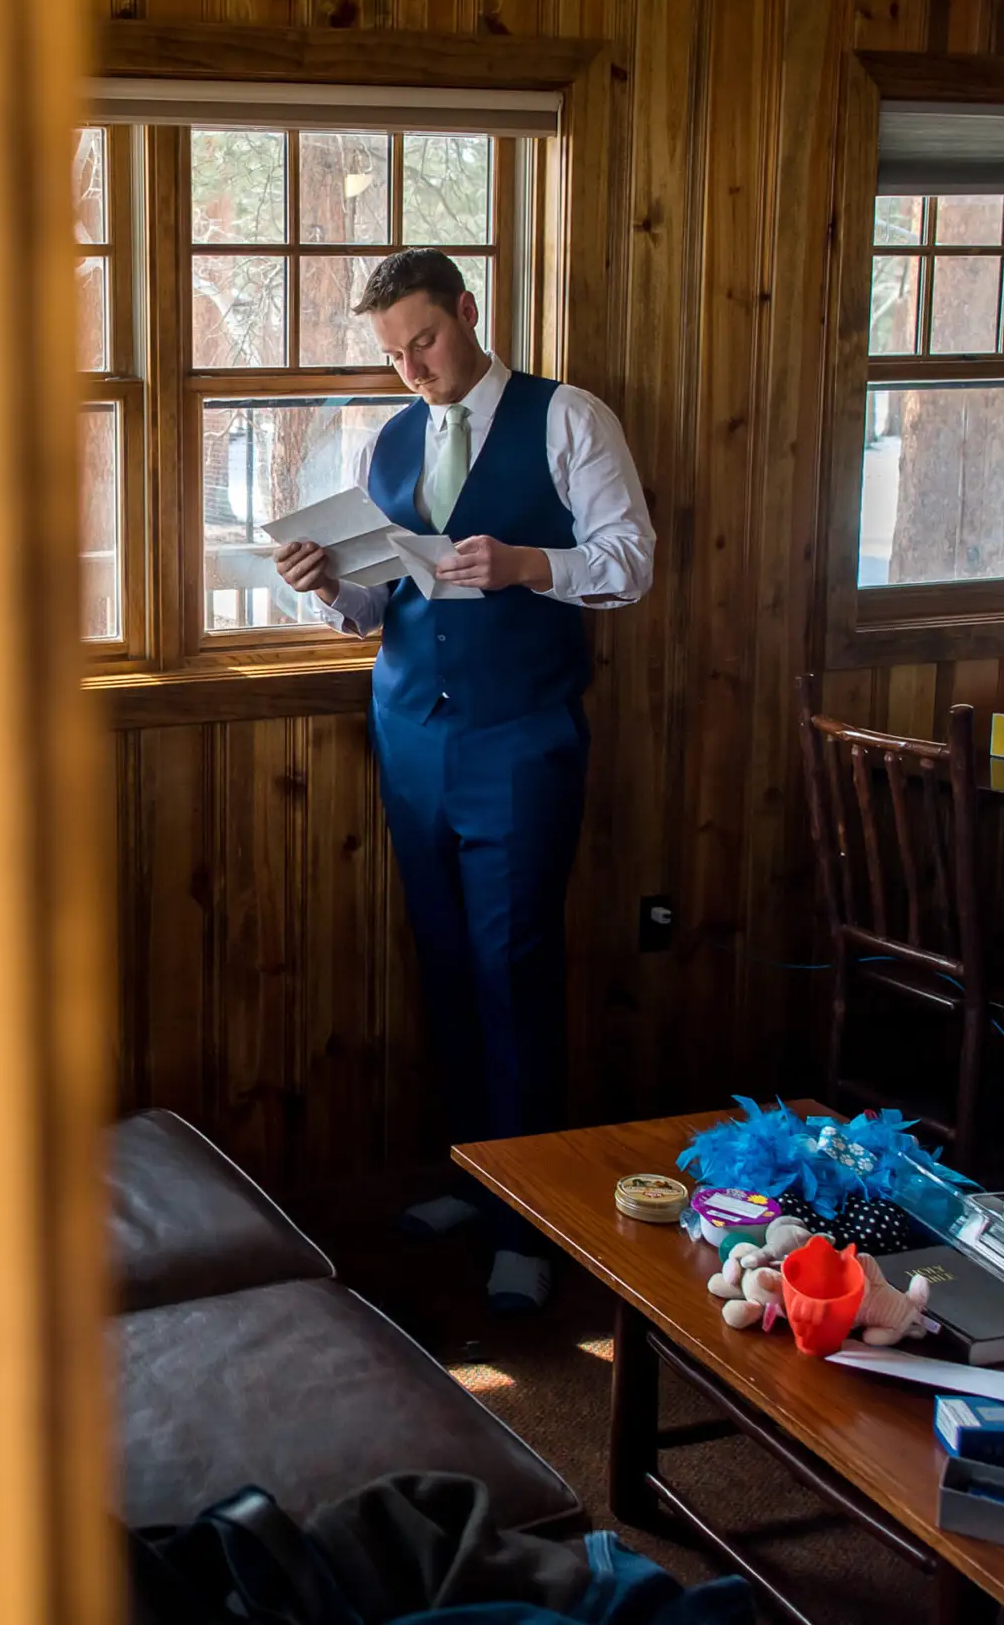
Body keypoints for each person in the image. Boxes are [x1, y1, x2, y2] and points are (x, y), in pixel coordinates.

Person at [275, 248, 654, 1315]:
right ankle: (470, 1174)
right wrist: (328, 587)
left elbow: (631, 559)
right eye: (393, 355)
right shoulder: (390, 439)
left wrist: (531, 564)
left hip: (521, 736)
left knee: (514, 966)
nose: (413, 370)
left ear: (469, 312)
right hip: (409, 735)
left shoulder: (568, 417)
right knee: (443, 959)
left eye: (425, 341)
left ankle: (528, 1217)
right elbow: (380, 604)